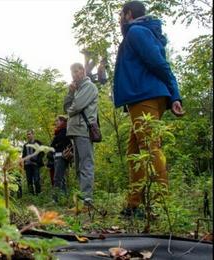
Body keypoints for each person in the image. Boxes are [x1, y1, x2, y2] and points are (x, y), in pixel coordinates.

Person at [114, 1, 184, 217]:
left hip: (145, 96)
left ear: (128, 14)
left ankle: (161, 204)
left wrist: (175, 94)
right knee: (134, 151)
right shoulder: (141, 32)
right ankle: (134, 204)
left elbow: (159, 63)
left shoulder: (136, 32)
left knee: (150, 147)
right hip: (143, 96)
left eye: (120, 15)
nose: (119, 19)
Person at [64, 63, 98, 206]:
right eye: (72, 73)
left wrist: (71, 107)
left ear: (83, 71)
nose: (74, 75)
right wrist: (70, 93)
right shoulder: (77, 90)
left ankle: (87, 200)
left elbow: (74, 108)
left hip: (83, 130)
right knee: (79, 166)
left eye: (76, 72)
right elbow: (67, 107)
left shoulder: (89, 87)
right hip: (76, 131)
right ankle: (84, 199)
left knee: (86, 164)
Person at [50, 115, 72, 201]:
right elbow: (53, 145)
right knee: (61, 178)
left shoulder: (65, 131)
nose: (56, 123)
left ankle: (55, 199)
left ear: (63, 122)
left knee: (57, 178)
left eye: (57, 121)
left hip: (62, 157)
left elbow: (65, 144)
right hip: (57, 157)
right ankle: (64, 198)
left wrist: (56, 145)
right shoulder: (58, 132)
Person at [22, 130, 44, 195]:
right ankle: (31, 194)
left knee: (36, 179)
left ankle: (38, 193)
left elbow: (42, 152)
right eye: (27, 134)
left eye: (29, 134)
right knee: (29, 180)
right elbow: (23, 155)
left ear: (33, 134)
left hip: (35, 164)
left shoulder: (38, 143)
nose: (28, 136)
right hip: (27, 165)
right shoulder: (25, 145)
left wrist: (37, 161)